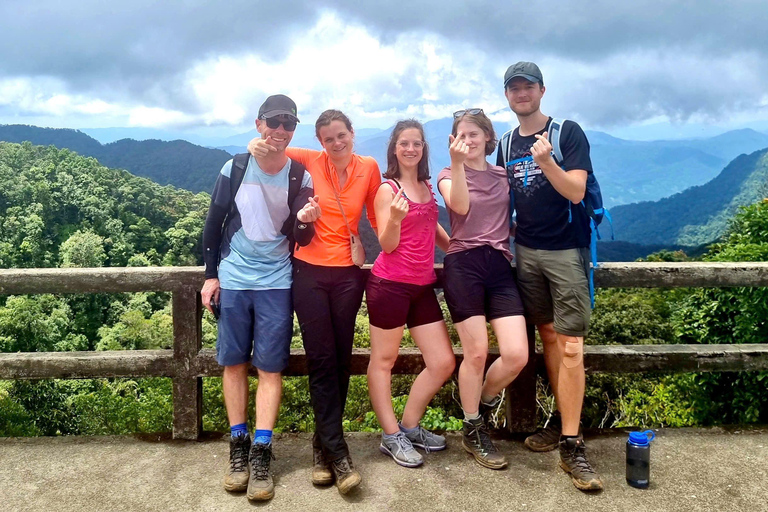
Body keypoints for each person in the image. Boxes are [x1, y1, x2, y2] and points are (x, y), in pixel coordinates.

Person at [248, 109, 380, 494]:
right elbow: (275, 149)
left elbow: (377, 213)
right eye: (328, 139)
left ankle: (322, 446)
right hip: (307, 273)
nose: (336, 143)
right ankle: (338, 455)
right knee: (321, 359)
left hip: (348, 275)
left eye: (342, 135)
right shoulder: (309, 159)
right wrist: (253, 143)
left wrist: (387, 247)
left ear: (352, 133)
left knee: (341, 359)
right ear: (320, 142)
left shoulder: (368, 167)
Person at [201, 94, 320, 502]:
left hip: (276, 281)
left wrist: (306, 221)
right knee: (233, 363)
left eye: (289, 123)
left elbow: (303, 236)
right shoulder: (235, 167)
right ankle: (238, 445)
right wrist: (210, 275)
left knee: (270, 367)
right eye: (274, 122)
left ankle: (261, 451)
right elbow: (213, 223)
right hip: (234, 279)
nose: (281, 130)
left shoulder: (299, 176)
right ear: (258, 124)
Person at [498, 61, 603, 491]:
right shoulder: (504, 144)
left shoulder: (566, 133)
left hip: (565, 253)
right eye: (514, 88)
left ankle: (573, 444)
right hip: (526, 253)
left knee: (572, 345)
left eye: (528, 86)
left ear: (542, 91)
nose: (521, 93)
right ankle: (563, 426)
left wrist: (547, 163)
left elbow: (576, 190)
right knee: (549, 338)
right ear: (507, 95)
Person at [437, 109, 529, 470]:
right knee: (476, 353)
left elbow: (517, 217)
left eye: (475, 134)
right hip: (463, 265)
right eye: (462, 134)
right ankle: (474, 427)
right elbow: (458, 206)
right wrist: (457, 163)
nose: (469, 140)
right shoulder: (448, 174)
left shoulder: (503, 175)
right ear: (454, 139)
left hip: (499, 265)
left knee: (517, 354)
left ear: (488, 138)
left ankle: (485, 401)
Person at [365, 119, 454, 468]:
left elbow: (433, 228)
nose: (411, 149)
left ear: (423, 149)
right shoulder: (388, 190)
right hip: (390, 286)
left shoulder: (426, 185)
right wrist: (397, 219)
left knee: (443, 361)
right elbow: (386, 245)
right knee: (383, 361)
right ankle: (391, 436)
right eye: (404, 143)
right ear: (394, 148)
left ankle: (410, 425)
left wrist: (458, 249)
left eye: (417, 143)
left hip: (422, 286)